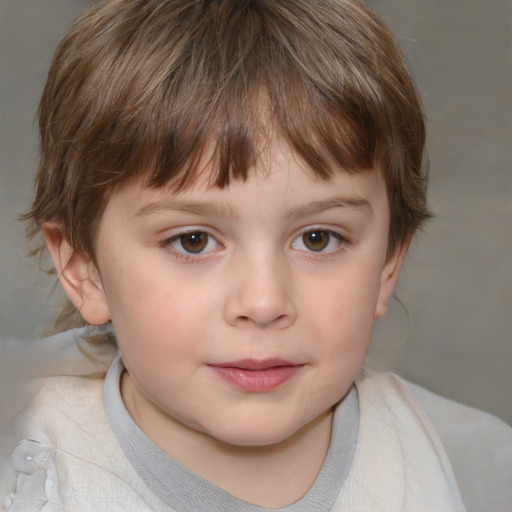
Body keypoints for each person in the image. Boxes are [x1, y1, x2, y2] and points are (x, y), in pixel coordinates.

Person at [1, 0, 511, 510]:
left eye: (318, 238)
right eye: (193, 241)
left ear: (386, 265)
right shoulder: (25, 475)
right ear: (83, 268)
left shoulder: (471, 470)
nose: (265, 302)